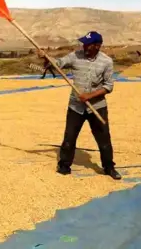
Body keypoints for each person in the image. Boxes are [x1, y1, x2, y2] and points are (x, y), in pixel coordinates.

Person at [38, 31, 122, 180]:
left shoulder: (106, 61)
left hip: (97, 107)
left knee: (104, 140)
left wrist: (89, 96)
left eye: (88, 44)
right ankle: (64, 165)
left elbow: (109, 86)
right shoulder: (75, 56)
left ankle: (109, 167)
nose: (84, 46)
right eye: (84, 43)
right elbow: (57, 65)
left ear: (97, 46)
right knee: (69, 137)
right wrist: (46, 58)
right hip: (75, 107)